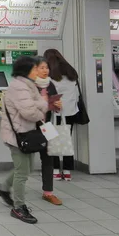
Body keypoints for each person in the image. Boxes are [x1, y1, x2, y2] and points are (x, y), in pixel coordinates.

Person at [0, 56, 49, 224]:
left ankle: (3, 188)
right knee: (22, 172)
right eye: (35, 69)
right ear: (26, 71)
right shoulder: (19, 87)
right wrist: (41, 112)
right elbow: (30, 112)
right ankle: (18, 207)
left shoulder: (28, 85)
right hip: (17, 135)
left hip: (25, 133)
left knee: (26, 168)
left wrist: (40, 106)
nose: (38, 71)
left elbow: (40, 104)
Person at [44, 49, 81, 181]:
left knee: (52, 141)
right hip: (70, 112)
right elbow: (76, 95)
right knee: (67, 141)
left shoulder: (50, 77)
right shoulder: (71, 74)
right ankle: (67, 171)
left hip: (52, 113)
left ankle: (55, 171)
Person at [35, 57, 63, 205]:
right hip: (30, 127)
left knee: (48, 159)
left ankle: (48, 192)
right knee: (23, 162)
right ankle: (8, 187)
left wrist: (58, 105)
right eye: (42, 67)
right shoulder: (28, 85)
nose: (45, 70)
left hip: (47, 126)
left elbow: (55, 105)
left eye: (47, 67)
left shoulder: (50, 84)